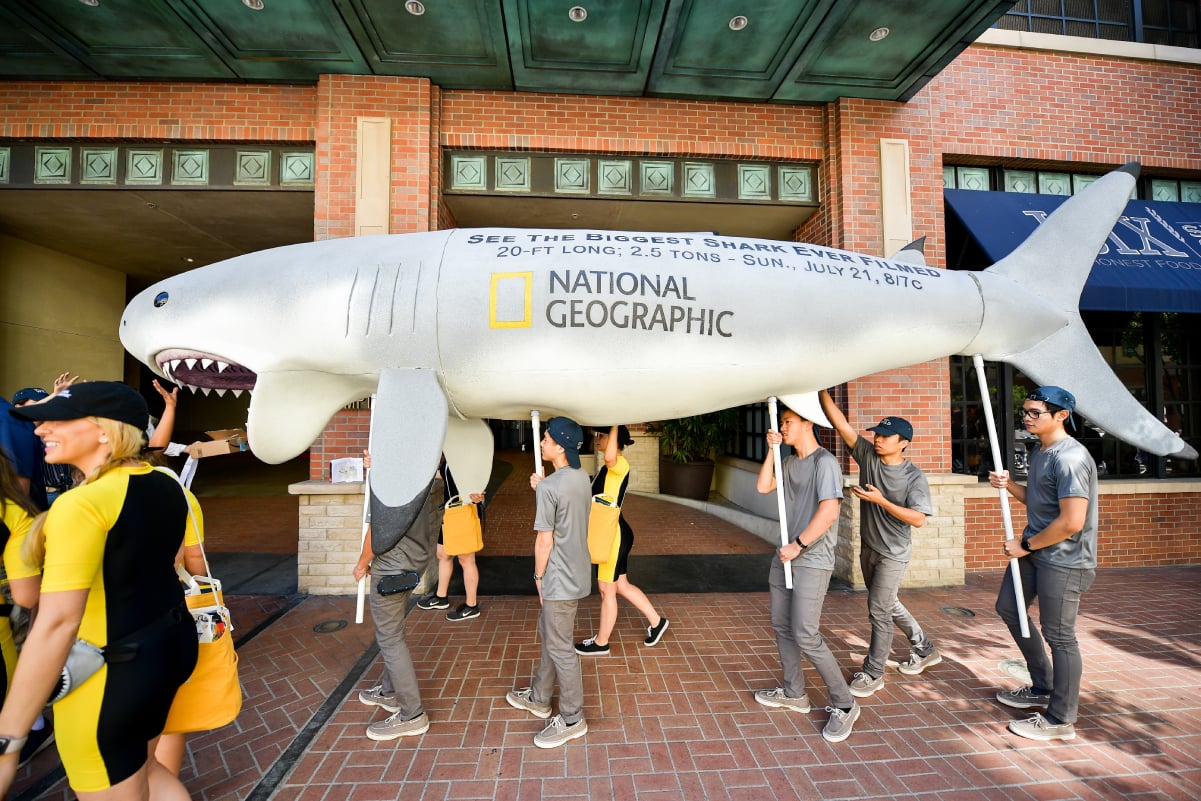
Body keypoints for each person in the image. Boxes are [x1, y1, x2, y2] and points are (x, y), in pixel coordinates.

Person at [0, 381, 198, 800]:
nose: (39, 430)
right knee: (148, 770)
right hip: (164, 651)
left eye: (56, 420)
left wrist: (9, 736)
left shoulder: (81, 503)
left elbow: (56, 623)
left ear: (105, 430)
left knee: (121, 773)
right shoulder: (164, 481)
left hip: (109, 674)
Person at [988, 385, 1098, 742]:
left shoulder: (1071, 458)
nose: (1027, 417)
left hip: (1064, 560)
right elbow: (1039, 500)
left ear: (1062, 416)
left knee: (1060, 636)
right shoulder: (1041, 452)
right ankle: (1042, 685)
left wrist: (1025, 544)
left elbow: (1071, 522)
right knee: (1010, 608)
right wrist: (1009, 487)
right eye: (1025, 411)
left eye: (1036, 412)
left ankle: (1060, 719)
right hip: (1035, 552)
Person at [819, 390, 939, 699]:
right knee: (887, 602)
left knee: (878, 610)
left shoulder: (914, 476)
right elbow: (841, 425)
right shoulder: (868, 455)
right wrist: (822, 388)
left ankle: (874, 672)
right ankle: (923, 647)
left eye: (887, 436)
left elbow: (918, 519)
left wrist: (881, 500)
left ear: (903, 443)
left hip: (893, 554)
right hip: (869, 548)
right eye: (877, 433)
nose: (878, 439)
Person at [753, 406, 860, 743]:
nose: (782, 427)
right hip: (784, 557)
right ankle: (794, 692)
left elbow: (829, 512)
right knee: (782, 626)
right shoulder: (789, 462)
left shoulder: (824, 462)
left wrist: (798, 545)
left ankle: (845, 703)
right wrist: (772, 451)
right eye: (780, 422)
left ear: (807, 423)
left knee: (805, 633)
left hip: (811, 559)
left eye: (787, 422)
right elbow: (762, 487)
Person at [505, 417, 592, 749]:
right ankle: (540, 696)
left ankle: (572, 718)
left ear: (560, 446)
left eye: (545, 439)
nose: (541, 443)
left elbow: (544, 541)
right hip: (578, 572)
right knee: (552, 634)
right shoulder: (580, 478)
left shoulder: (551, 487)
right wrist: (542, 487)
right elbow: (565, 507)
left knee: (560, 646)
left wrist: (538, 577)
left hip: (558, 576)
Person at [353, 451, 434, 741]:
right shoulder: (419, 476)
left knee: (390, 638)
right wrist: (378, 467)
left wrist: (362, 563)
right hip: (412, 564)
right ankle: (389, 692)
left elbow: (377, 531)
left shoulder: (389, 483)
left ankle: (412, 713)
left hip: (390, 568)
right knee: (394, 633)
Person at [575, 425, 668, 655]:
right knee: (621, 585)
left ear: (615, 440)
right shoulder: (606, 470)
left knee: (607, 589)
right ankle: (657, 622)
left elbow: (609, 456)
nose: (597, 439)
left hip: (613, 537)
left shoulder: (618, 464)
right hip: (614, 533)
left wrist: (615, 420)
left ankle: (601, 643)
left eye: (602, 435)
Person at [415, 462, 486, 621]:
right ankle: (441, 598)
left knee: (466, 559)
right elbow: (441, 474)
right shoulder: (449, 461)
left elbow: (479, 489)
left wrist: (478, 496)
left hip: (464, 512)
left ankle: (471, 606)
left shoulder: (467, 459)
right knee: (443, 553)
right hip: (451, 514)